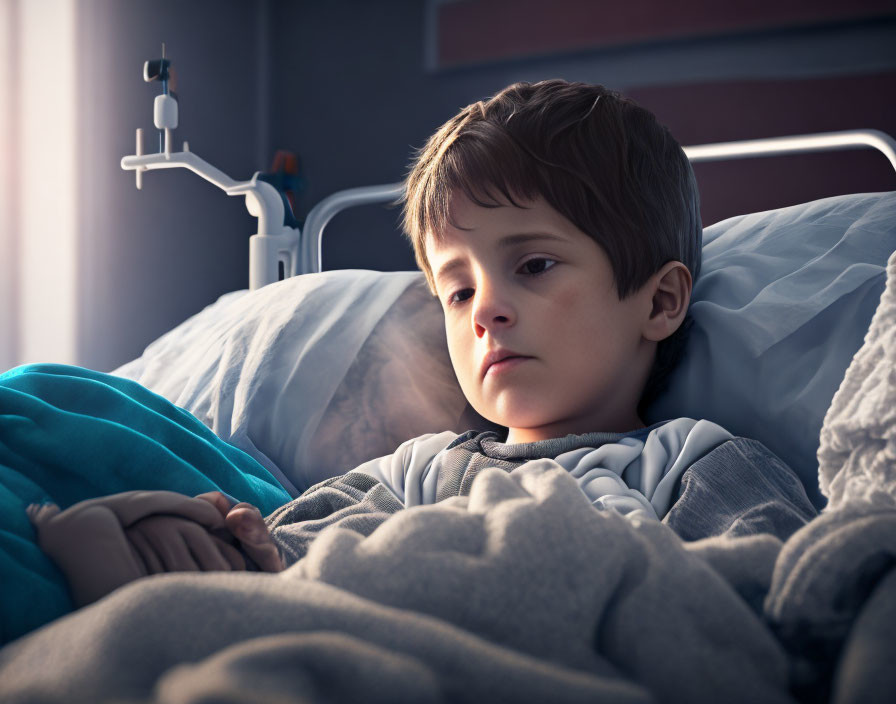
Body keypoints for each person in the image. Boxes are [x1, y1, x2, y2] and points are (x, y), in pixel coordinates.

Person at [29, 79, 818, 604]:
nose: (487, 312)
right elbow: (275, 566)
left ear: (663, 300)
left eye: (534, 265)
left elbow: (767, 599)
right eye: (459, 289)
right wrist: (198, 529)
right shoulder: (416, 470)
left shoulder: (694, 462)